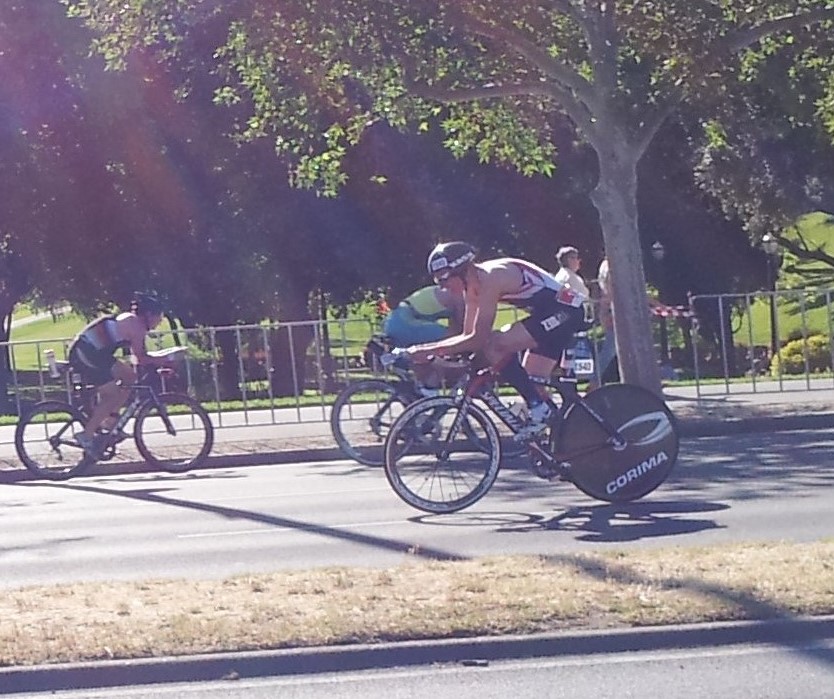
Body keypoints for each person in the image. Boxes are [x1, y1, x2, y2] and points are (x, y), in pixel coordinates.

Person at [407, 241, 587, 437]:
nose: (443, 287)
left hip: (567, 310)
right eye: (437, 281)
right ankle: (564, 436)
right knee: (531, 383)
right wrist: (433, 351)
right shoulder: (472, 288)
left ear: (462, 270)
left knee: (495, 345)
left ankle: (538, 409)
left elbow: (478, 338)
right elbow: (466, 336)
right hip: (548, 314)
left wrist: (428, 350)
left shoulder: (491, 278)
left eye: (443, 279)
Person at [68, 293, 172, 456]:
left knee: (130, 377)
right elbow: (142, 357)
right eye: (159, 317)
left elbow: (137, 360)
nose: (160, 322)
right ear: (149, 315)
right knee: (111, 395)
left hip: (97, 353)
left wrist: (155, 366)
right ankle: (86, 435)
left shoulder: (133, 321)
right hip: (87, 353)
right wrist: (166, 359)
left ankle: (110, 423)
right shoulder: (136, 326)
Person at [383, 284, 464, 394]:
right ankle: (429, 395)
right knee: (452, 343)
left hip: (398, 319)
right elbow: (462, 331)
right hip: (405, 321)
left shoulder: (452, 288)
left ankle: (428, 395)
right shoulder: (461, 293)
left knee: (436, 362)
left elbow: (457, 327)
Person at [588, 254, 616, 390]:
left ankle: (595, 381)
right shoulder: (612, 267)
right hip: (613, 311)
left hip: (608, 310)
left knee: (610, 350)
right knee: (609, 351)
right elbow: (610, 290)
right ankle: (594, 381)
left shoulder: (604, 266)